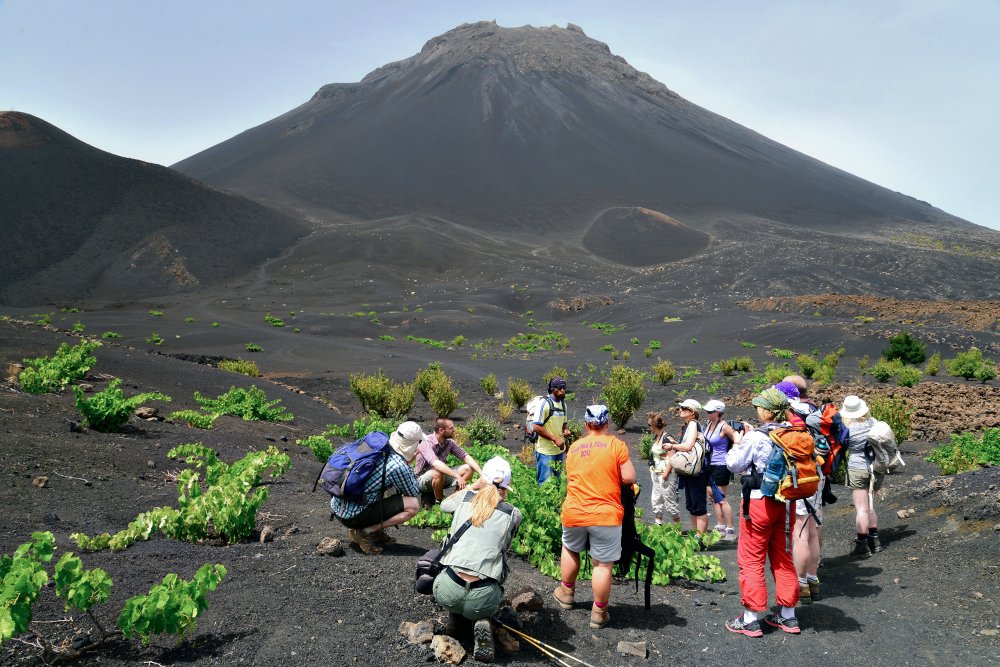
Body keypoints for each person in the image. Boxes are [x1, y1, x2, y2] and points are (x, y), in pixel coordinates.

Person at [725, 388, 801, 637]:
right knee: (782, 557)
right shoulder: (791, 434)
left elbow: (734, 464)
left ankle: (750, 619)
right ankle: (788, 616)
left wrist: (737, 441)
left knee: (751, 559)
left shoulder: (755, 437)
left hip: (757, 504)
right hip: (785, 502)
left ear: (765, 411)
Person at [553, 405, 636, 629]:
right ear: (606, 423)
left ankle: (567, 592)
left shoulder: (575, 448)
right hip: (605, 514)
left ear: (586, 424)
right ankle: (599, 612)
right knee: (602, 564)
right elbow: (629, 477)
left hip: (575, 511)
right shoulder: (616, 445)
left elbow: (571, 476)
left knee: (570, 549)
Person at [434, 456, 522, 663]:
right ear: (506, 484)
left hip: (448, 589)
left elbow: (444, 505)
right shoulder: (513, 514)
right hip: (483, 597)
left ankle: (456, 617)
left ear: (484, 478)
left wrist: (473, 485)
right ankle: (480, 618)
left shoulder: (464, 499)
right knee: (494, 569)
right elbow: (504, 547)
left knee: (452, 564)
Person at [330, 421, 423, 555]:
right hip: (352, 516)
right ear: (412, 445)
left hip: (337, 507)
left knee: (380, 487)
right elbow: (413, 492)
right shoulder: (398, 464)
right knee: (412, 505)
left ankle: (374, 532)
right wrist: (409, 463)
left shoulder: (378, 447)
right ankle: (366, 532)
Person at [775, 378, 823, 601]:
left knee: (799, 532)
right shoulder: (813, 412)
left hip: (797, 478)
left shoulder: (790, 416)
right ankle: (813, 579)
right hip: (815, 474)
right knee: (812, 530)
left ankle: (800, 583)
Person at [841, 394, 883, 557]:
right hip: (876, 468)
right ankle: (875, 540)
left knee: (861, 509)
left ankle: (862, 545)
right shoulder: (874, 423)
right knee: (871, 506)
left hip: (857, 468)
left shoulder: (847, 429)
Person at [663, 398, 710, 535]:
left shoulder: (693, 424)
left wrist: (672, 445)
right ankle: (696, 535)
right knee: (692, 505)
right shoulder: (689, 425)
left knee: (698, 505)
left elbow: (688, 446)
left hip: (696, 471)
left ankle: (700, 538)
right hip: (690, 471)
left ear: (692, 412)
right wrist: (676, 443)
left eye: (684, 408)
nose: (681, 410)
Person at [415, 418, 484, 507]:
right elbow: (435, 463)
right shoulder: (426, 442)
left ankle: (455, 498)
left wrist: (482, 473)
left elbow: (465, 456)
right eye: (451, 428)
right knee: (437, 471)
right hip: (422, 479)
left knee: (468, 468)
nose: (454, 430)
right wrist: (457, 476)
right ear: (441, 430)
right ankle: (439, 502)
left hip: (440, 477)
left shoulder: (449, 443)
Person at [703, 399, 740, 542]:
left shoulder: (724, 427)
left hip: (721, 465)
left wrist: (735, 452)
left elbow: (737, 438)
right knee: (712, 496)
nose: (707, 413)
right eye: (707, 411)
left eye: (710, 411)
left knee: (721, 498)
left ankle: (730, 527)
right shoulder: (708, 425)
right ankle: (720, 525)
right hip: (709, 465)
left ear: (718, 412)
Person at [531, 377, 572, 484]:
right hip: (546, 452)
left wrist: (566, 430)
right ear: (553, 389)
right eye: (560, 388)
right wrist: (555, 439)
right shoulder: (543, 403)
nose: (563, 390)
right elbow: (535, 427)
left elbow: (564, 423)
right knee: (545, 484)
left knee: (557, 483)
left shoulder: (564, 405)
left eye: (564, 388)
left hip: (559, 451)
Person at [647, 411, 681, 526]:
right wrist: (651, 466)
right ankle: (658, 523)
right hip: (656, 473)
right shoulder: (656, 437)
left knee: (669, 499)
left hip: (666, 474)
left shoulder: (667, 438)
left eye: (650, 425)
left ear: (655, 426)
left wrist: (666, 474)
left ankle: (677, 527)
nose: (649, 428)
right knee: (656, 499)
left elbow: (672, 458)